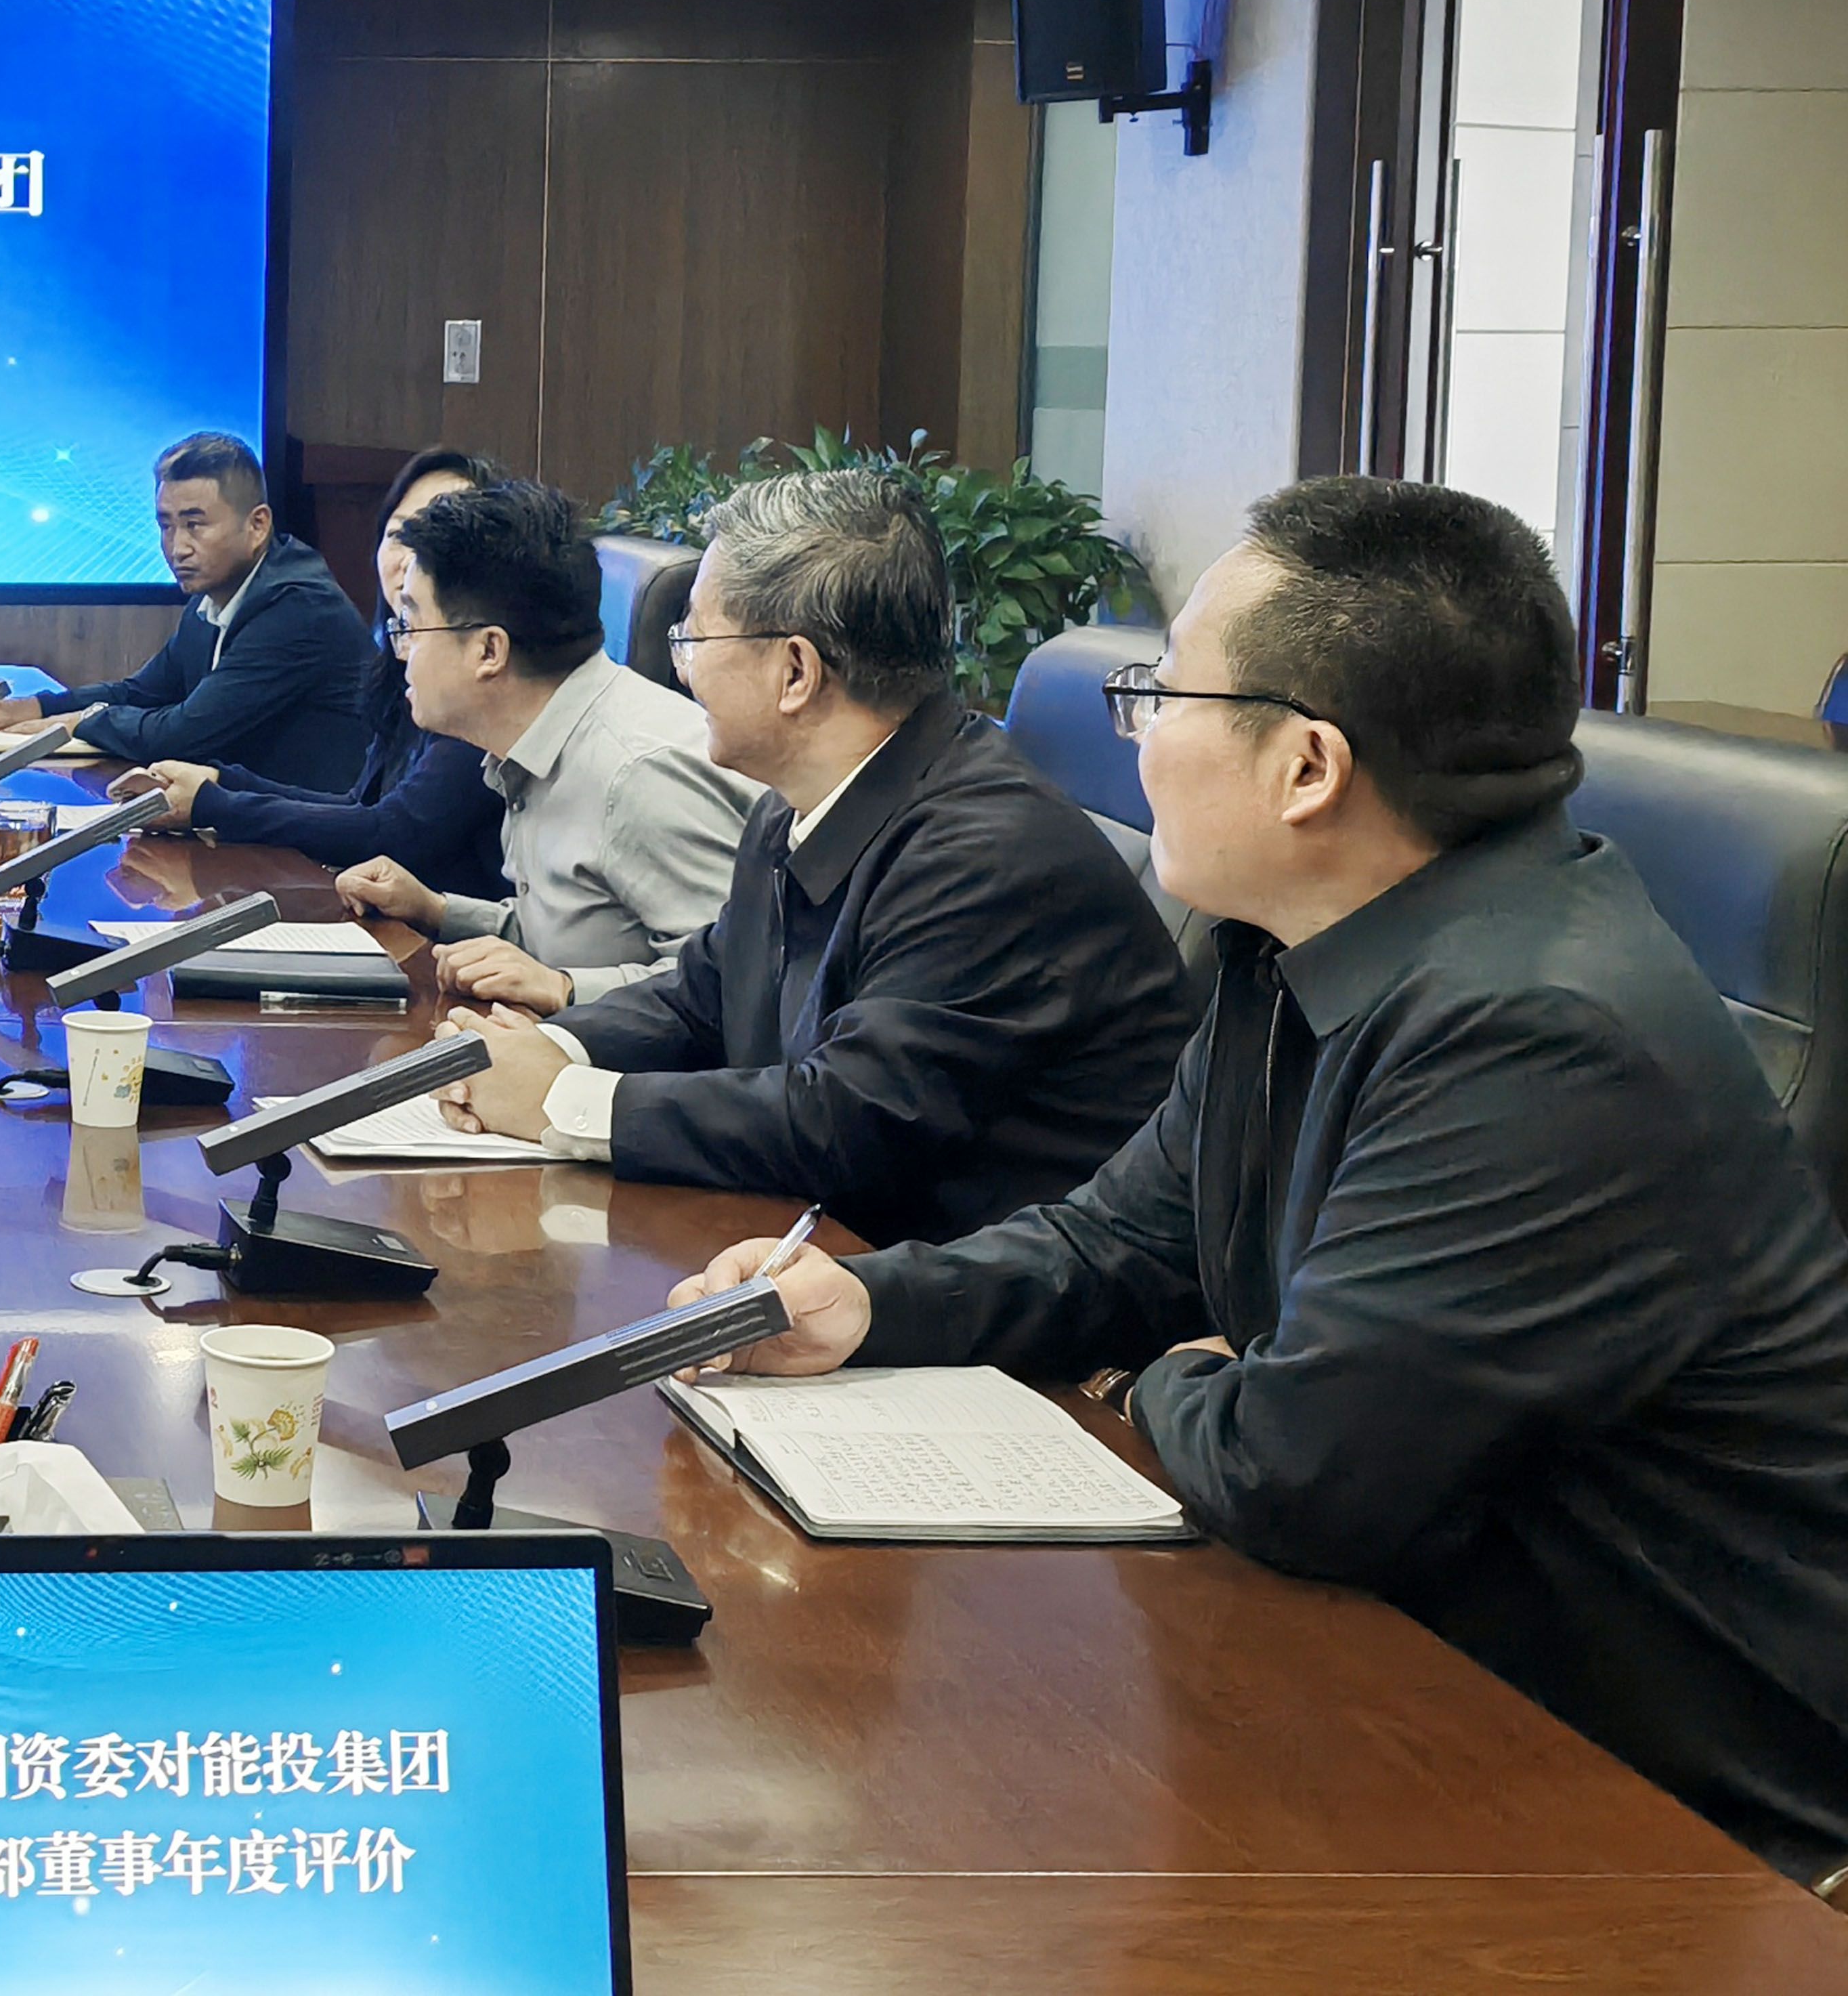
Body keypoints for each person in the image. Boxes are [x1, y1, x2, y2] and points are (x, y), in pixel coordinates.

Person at [662, 478, 1848, 1886]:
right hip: (1403, 1682)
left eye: (1163, 696)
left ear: (1306, 768)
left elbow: (1299, 1472)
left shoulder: (1540, 1035)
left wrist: (1151, 1375)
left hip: (1679, 1831)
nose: (1141, 741)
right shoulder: (1292, 943)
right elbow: (1119, 1237)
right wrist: (866, 1302)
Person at [428, 466, 1193, 1246]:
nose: (681, 667)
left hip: (980, 1291)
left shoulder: (988, 852)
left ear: (795, 672)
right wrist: (543, 1049)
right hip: (834, 1250)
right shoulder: (795, 803)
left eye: (693, 638)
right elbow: (703, 995)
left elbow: (847, 1119)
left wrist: (564, 1100)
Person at [331, 477, 752, 1002]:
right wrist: (436, 911)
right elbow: (581, 935)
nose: (401, 652)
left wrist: (564, 988)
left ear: (489, 651)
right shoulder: (531, 745)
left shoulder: (639, 777)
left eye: (413, 627)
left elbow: (735, 987)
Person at [106, 445, 511, 897]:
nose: (410, 560)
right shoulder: (399, 665)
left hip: (452, 937)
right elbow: (362, 802)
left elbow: (396, 831)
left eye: (439, 538)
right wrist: (219, 782)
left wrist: (210, 804)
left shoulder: (484, 675)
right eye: (400, 534)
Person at [0, 431, 372, 792]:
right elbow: (143, 693)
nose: (177, 548)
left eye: (195, 525)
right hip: (249, 821)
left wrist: (82, 721)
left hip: (315, 840)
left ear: (258, 525)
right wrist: (33, 708)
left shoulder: (298, 607)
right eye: (166, 526)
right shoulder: (211, 598)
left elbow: (185, 733)